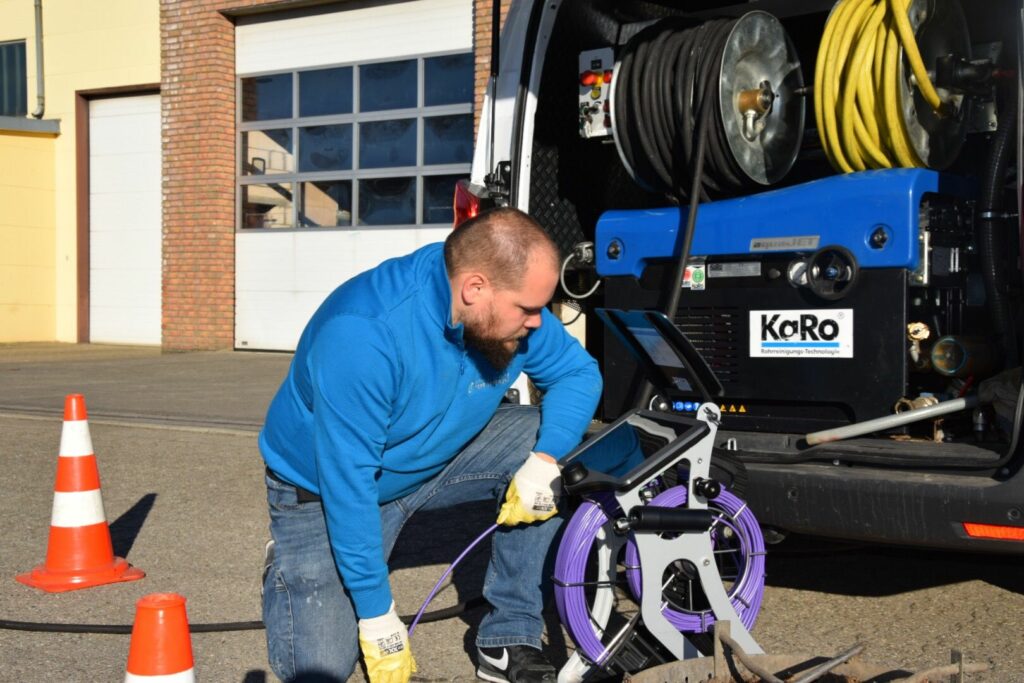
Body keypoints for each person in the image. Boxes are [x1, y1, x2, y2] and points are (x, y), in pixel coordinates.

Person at [259, 207, 603, 683]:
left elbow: (578, 373)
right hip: (325, 492)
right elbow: (349, 484)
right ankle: (290, 565)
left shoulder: (507, 313)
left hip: (439, 457)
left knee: (549, 444)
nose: (538, 324)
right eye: (527, 309)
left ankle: (508, 638)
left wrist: (545, 460)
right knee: (320, 669)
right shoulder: (364, 334)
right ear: (475, 289)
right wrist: (378, 617)